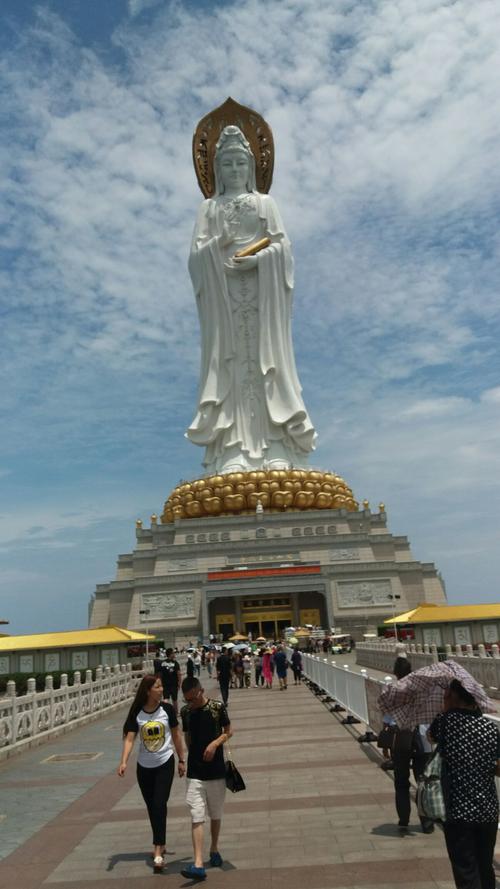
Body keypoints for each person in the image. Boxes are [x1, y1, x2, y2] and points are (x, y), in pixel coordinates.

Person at [187, 123, 316, 474]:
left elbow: (283, 249)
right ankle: (233, 451)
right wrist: (219, 244)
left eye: (240, 164)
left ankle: (276, 445)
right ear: (216, 170)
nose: (234, 171)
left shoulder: (265, 204)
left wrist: (261, 259)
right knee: (232, 367)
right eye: (227, 164)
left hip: (262, 297)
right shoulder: (208, 210)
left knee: (267, 365)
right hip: (225, 303)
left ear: (251, 168)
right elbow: (195, 259)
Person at [429, 679, 500, 889]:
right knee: (485, 866)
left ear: (453, 696)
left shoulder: (445, 722)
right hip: (488, 809)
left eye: (446, 695)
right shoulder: (489, 727)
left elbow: (430, 737)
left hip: (458, 809)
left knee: (466, 869)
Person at [118, 675, 186, 873]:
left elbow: (176, 734)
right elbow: (130, 739)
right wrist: (123, 761)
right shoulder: (137, 713)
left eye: (161, 685)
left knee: (159, 804)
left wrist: (181, 760)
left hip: (165, 763)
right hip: (144, 768)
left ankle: (158, 849)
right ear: (148, 691)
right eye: (158, 686)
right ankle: (160, 841)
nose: (161, 689)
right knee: (151, 807)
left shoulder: (167, 710)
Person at [180, 677, 233, 881]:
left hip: (216, 770)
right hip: (195, 772)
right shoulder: (185, 712)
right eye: (186, 700)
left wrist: (215, 744)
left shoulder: (217, 707)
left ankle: (214, 848)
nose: (189, 704)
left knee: (215, 813)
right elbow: (187, 737)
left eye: (192, 699)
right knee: (196, 814)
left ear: (200, 691)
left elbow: (229, 731)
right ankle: (198, 863)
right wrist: (186, 758)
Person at [390, 657, 434, 834]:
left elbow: (388, 719)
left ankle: (403, 819)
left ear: (395, 673)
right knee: (422, 782)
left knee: (401, 782)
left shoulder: (392, 691)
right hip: (422, 741)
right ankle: (426, 822)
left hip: (401, 741)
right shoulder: (422, 691)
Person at [159, 648, 181, 715]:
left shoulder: (162, 663)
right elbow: (178, 674)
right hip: (173, 684)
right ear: (170, 654)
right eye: (173, 653)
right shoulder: (175, 663)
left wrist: (160, 684)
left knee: (166, 699)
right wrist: (179, 683)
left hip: (165, 684)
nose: (174, 654)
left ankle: (166, 713)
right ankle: (176, 713)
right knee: (175, 699)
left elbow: (160, 674)